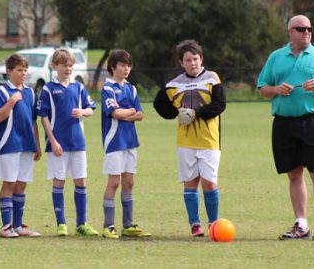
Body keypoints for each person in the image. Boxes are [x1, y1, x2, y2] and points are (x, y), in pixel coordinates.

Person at [257, 15, 314, 241]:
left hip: (312, 122)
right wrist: (275, 89)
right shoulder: (276, 57)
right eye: (301, 28)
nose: (306, 32)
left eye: (309, 29)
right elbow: (262, 88)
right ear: (290, 32)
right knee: (294, 174)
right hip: (284, 122)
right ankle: (301, 224)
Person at [153, 39, 226, 237]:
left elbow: (220, 104)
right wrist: (176, 113)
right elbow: (159, 104)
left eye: (195, 59)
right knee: (190, 182)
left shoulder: (212, 78)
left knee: (209, 183)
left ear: (201, 59)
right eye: (188, 60)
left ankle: (213, 224)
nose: (192, 63)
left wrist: (196, 113)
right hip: (185, 142)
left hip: (209, 141)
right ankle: (195, 224)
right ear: (181, 62)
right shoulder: (174, 84)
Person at [38, 49, 98, 237]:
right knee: (59, 181)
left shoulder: (78, 87)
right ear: (55, 66)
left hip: (78, 143)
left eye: (71, 65)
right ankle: (61, 223)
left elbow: (91, 109)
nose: (68, 68)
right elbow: (44, 117)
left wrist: (82, 112)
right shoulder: (48, 88)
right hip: (58, 145)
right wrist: (53, 141)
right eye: (64, 65)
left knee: (80, 180)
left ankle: (81, 224)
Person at [99, 49, 151, 239]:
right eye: (122, 65)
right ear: (113, 67)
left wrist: (125, 112)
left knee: (129, 182)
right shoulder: (108, 89)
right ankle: (108, 226)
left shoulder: (131, 88)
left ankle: (128, 225)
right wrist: (130, 112)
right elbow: (115, 114)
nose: (126, 68)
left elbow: (141, 115)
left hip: (130, 141)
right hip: (114, 141)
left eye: (128, 65)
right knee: (114, 182)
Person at [0, 54, 42, 238]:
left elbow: (34, 120)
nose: (23, 74)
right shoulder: (2, 91)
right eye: (19, 70)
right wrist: (12, 101)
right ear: (9, 71)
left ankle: (18, 225)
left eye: (25, 70)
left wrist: (37, 143)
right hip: (9, 144)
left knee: (21, 184)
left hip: (27, 144)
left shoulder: (29, 92)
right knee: (9, 183)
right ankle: (6, 226)